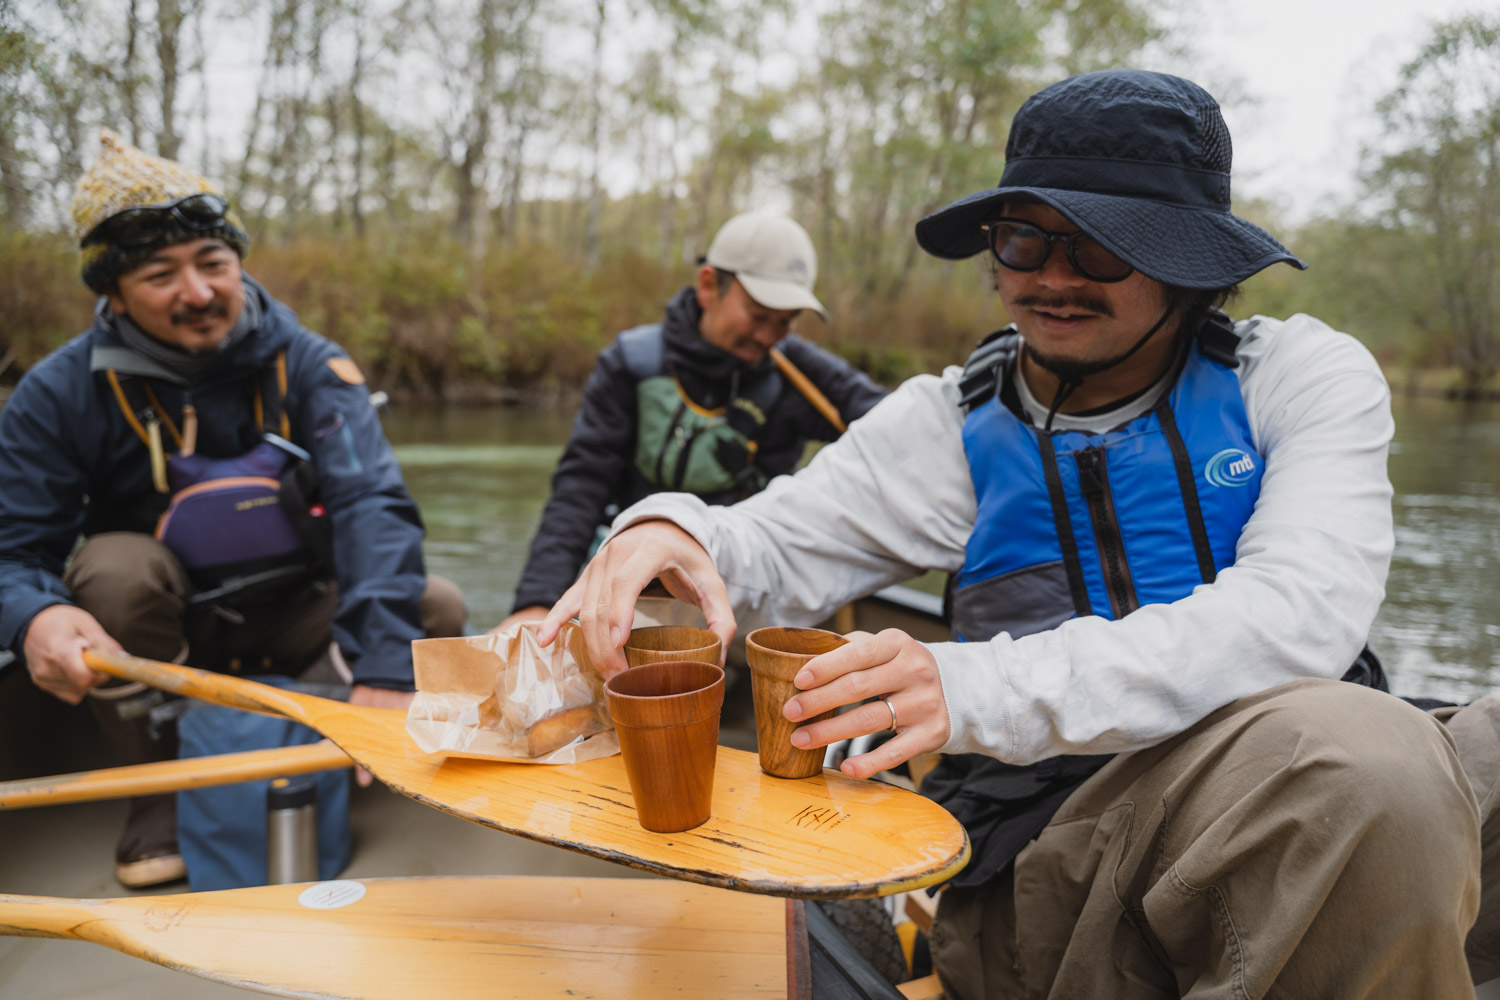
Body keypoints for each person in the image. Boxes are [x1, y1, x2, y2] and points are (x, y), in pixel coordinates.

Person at [540, 71, 1494, 996]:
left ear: (1185, 261)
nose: (1053, 281)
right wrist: (668, 527)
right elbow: (773, 547)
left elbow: (1301, 622)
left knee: (1374, 754)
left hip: (1310, 772)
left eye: (1101, 250)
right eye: (1024, 242)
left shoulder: (1298, 374)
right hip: (1055, 843)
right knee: (1368, 765)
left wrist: (963, 684)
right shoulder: (948, 422)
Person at [0, 130, 466, 888]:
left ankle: (329, 746)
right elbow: (13, 552)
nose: (199, 291)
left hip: (294, 609)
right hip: (159, 633)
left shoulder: (311, 363)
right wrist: (29, 617)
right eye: (160, 274)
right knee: (112, 572)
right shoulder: (57, 393)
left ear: (237, 263)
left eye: (214, 263)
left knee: (432, 608)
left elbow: (372, 504)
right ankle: (160, 786)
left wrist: (384, 664)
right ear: (112, 295)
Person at [499, 211, 886, 630]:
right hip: (634, 587)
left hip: (743, 593)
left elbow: (894, 431)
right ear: (708, 286)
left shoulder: (800, 376)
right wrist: (536, 601)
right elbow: (579, 490)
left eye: (786, 321)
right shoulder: (631, 364)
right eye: (759, 315)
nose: (769, 336)